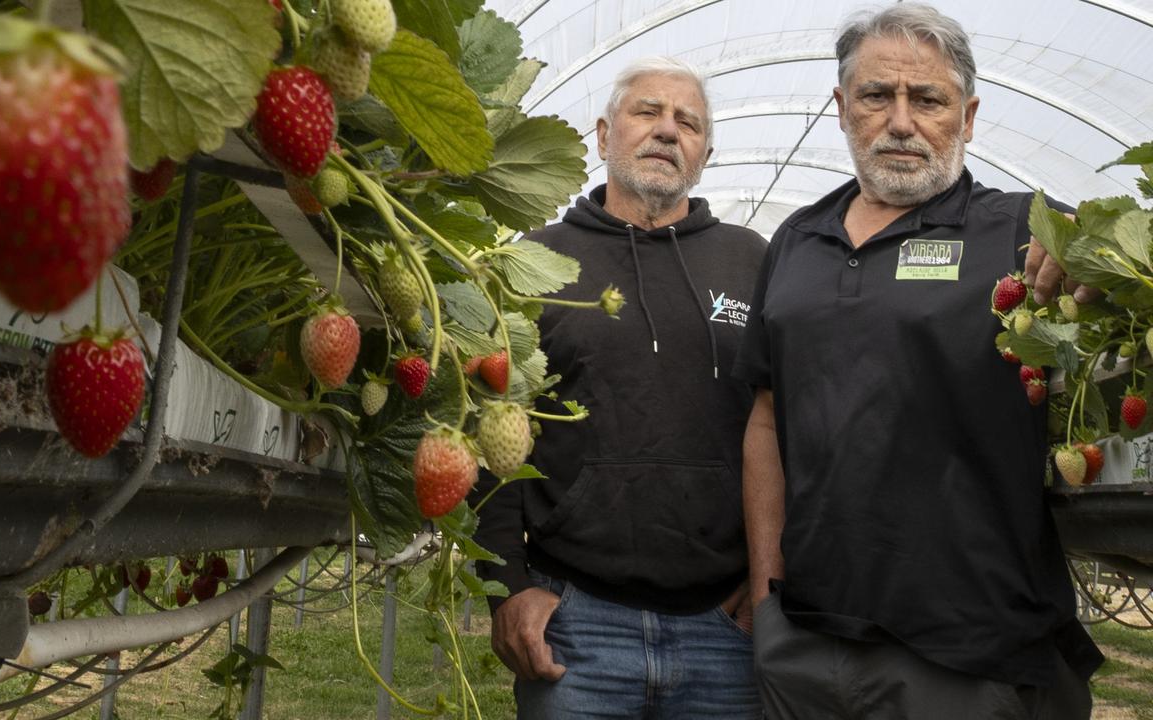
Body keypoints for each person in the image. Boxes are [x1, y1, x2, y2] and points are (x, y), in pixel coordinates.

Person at [731, 4, 1104, 718]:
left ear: (966, 117)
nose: (901, 122)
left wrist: (1086, 248)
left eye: (927, 99)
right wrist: (766, 597)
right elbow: (765, 419)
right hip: (806, 642)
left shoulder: (1020, 231)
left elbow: (1099, 262)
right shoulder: (796, 241)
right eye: (877, 96)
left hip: (968, 656)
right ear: (842, 108)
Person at [472, 56, 768, 719]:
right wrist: (507, 587)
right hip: (576, 621)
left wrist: (767, 584)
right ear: (604, 137)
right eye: (648, 112)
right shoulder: (538, 260)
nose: (668, 130)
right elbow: (491, 430)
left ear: (704, 153)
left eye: (687, 122)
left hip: (723, 630)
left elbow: (790, 427)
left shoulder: (752, 261)